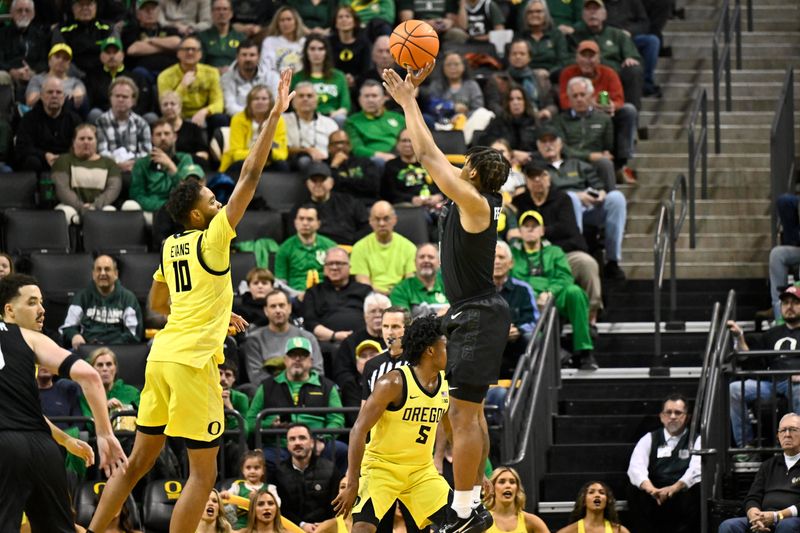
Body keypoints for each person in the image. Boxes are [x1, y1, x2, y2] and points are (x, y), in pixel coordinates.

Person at [86, 68, 295, 533]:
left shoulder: (171, 245)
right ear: (200, 214)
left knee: (138, 461)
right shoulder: (213, 238)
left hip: (160, 355)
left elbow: (159, 299)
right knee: (205, 474)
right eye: (212, 200)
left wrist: (217, 312)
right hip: (192, 363)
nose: (221, 204)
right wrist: (275, 115)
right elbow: (251, 173)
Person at [383, 63, 512, 533]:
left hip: (478, 312)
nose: (458, 166)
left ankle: (462, 510)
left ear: (474, 171)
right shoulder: (477, 200)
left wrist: (408, 101)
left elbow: (428, 155)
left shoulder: (475, 202)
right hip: (473, 310)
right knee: (468, 416)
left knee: (461, 415)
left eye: (466, 163)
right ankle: (471, 504)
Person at [0, 273, 127, 531]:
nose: (42, 309)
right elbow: (89, 376)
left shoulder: (28, 336)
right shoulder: (30, 339)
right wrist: (104, 432)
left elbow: (25, 413)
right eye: (32, 302)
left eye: (42, 302)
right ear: (9, 310)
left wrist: (67, 439)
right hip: (43, 450)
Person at [332, 314, 451, 533]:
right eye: (446, 346)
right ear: (431, 351)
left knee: (465, 522)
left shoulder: (446, 383)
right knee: (362, 529)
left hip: (421, 471)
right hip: (381, 468)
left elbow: (454, 433)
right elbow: (358, 430)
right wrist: (352, 482)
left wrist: (477, 476)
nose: (451, 351)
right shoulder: (393, 382)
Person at [512, 162, 602, 326]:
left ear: (549, 178)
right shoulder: (519, 201)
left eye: (542, 175)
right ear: (526, 180)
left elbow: (568, 229)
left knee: (586, 263)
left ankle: (591, 316)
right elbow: (511, 226)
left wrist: (540, 232)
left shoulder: (562, 198)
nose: (538, 180)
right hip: (529, 255)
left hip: (563, 253)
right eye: (533, 176)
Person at [534, 126, 627, 280]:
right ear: (538, 146)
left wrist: (600, 193)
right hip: (560, 210)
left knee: (616, 197)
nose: (548, 145)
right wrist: (578, 196)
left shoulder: (577, 164)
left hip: (589, 208)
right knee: (571, 198)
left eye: (552, 140)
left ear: (560, 143)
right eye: (544, 142)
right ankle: (579, 250)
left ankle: (613, 261)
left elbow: (598, 185)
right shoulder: (538, 170)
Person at [510, 210, 596, 369]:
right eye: (526, 226)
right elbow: (512, 279)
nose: (530, 229)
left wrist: (549, 292)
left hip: (554, 295)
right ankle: (549, 355)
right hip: (527, 297)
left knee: (575, 292)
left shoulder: (555, 251)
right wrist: (534, 295)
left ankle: (585, 352)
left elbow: (564, 276)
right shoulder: (512, 254)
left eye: (534, 226)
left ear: (542, 230)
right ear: (519, 231)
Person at [727, 285, 800, 452]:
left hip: (797, 382)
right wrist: (739, 336)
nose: (789, 306)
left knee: (798, 389)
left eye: (795, 302)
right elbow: (748, 357)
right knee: (735, 389)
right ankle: (745, 447)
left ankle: (797, 447)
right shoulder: (770, 334)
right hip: (772, 382)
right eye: (785, 303)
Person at [245, 336, 343, 454]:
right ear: (285, 360)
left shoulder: (327, 386)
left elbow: (337, 420)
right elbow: (250, 422)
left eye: (302, 355)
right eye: (292, 355)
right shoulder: (267, 386)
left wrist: (321, 439)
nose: (297, 359)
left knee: (341, 451)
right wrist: (269, 425)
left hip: (317, 444)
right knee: (262, 459)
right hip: (278, 446)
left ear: (311, 360)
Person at [559, 40, 638, 182]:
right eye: (583, 56)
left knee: (628, 110)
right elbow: (564, 101)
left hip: (607, 116)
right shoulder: (568, 73)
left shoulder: (609, 73)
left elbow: (619, 99)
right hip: (577, 114)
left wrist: (612, 106)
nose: (587, 60)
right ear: (577, 57)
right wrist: (589, 103)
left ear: (599, 58)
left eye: (591, 56)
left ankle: (621, 164)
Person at [626, 394, 701, 533]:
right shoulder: (649, 438)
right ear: (661, 416)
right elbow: (636, 467)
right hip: (654, 495)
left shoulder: (696, 440)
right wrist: (652, 490)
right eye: (668, 412)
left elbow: (696, 470)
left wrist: (674, 488)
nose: (672, 416)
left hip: (682, 494)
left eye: (678, 412)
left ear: (687, 417)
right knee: (634, 488)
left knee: (697, 488)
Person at [718, 413, 800, 533]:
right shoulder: (767, 465)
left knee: (787, 526)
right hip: (764, 518)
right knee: (728, 526)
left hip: (791, 519)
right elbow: (752, 497)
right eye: (782, 430)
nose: (787, 434)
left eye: (793, 430)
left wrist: (777, 516)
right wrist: (755, 517)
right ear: (778, 436)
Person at [569, 0, 644, 110]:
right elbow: (568, 58)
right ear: (583, 15)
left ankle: (631, 117)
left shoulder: (617, 34)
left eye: (596, 9)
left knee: (634, 70)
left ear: (605, 14)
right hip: (586, 79)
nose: (592, 13)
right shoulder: (574, 36)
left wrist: (630, 58)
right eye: (588, 10)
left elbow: (633, 56)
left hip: (610, 80)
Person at [60, 255, 143, 349]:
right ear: (93, 274)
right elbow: (67, 327)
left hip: (118, 351)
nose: (102, 273)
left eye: (107, 269)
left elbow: (133, 334)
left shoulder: (128, 298)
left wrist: (109, 347)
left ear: (116, 274)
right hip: (87, 350)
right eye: (99, 269)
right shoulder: (81, 297)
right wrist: (74, 336)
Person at [243, 289, 324, 383]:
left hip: (305, 390)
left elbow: (318, 371)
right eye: (273, 306)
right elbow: (256, 376)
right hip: (270, 392)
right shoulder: (255, 340)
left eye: (281, 305)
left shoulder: (308, 337)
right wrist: (282, 390)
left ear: (289, 308)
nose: (278, 310)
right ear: (265, 310)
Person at [125, 119, 194, 224]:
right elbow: (137, 195)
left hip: (178, 211)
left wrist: (171, 167)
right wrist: (164, 207)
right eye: (158, 134)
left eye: (166, 133)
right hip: (150, 212)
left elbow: (189, 192)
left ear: (174, 137)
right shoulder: (141, 164)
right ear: (152, 139)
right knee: (129, 205)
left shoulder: (185, 159)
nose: (163, 138)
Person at [52, 124, 122, 225]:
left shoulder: (109, 163)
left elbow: (113, 188)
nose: (86, 142)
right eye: (81, 138)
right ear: (73, 142)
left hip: (100, 207)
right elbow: (62, 189)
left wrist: (94, 206)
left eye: (90, 139)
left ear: (96, 142)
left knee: (110, 212)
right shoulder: (63, 161)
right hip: (71, 206)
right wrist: (81, 207)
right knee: (65, 213)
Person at [554, 77, 616, 191]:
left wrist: (605, 154)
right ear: (569, 99)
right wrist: (589, 156)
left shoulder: (604, 119)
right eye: (575, 96)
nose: (579, 99)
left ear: (591, 96)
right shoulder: (560, 120)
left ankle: (611, 198)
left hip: (596, 162)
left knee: (606, 163)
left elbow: (608, 146)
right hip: (570, 160)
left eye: (583, 95)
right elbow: (562, 148)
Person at [331, 293, 390, 411]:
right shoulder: (350, 341)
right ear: (364, 316)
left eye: (382, 311)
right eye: (372, 311)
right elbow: (342, 373)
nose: (378, 315)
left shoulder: (397, 341)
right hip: (357, 391)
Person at [273, 423, 341, 527]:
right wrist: (302, 525)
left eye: (302, 438)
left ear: (312, 443)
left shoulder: (330, 469)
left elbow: (335, 506)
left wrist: (324, 527)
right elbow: (281, 509)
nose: (297, 443)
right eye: (292, 439)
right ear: (287, 445)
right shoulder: (278, 473)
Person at [303, 247, 372, 345]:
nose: (334, 267)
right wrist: (334, 335)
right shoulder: (313, 292)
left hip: (363, 342)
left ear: (349, 266)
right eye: (330, 264)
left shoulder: (364, 290)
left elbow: (374, 317)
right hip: (327, 343)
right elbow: (310, 323)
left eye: (339, 263)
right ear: (324, 267)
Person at [15, 76, 82, 172]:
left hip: (66, 162)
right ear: (41, 96)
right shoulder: (29, 119)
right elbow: (22, 147)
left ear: (64, 97)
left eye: (58, 92)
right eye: (50, 92)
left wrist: (63, 158)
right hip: (39, 162)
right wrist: (44, 155)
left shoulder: (74, 119)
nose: (54, 96)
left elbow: (79, 147)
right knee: (31, 161)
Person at [157, 36, 225, 129]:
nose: (190, 52)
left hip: (203, 116)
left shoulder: (212, 72)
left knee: (220, 118)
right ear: (178, 53)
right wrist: (182, 86)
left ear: (200, 54)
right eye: (186, 49)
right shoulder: (165, 76)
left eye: (194, 49)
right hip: (177, 116)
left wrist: (204, 112)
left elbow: (218, 103)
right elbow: (166, 106)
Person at [350, 201, 417, 295]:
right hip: (371, 296)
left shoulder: (409, 247)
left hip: (401, 296)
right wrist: (382, 295)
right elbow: (363, 282)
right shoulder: (359, 248)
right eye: (377, 219)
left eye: (386, 219)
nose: (381, 223)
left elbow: (410, 281)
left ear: (395, 220)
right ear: (370, 221)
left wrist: (396, 295)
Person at [220, 85, 288, 177]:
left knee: (282, 166)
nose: (260, 102)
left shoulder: (278, 120)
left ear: (270, 102)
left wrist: (268, 154)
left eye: (264, 99)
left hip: (268, 161)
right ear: (249, 102)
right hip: (244, 161)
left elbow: (282, 152)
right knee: (238, 165)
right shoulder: (238, 119)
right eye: (256, 99)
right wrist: (260, 153)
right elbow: (236, 153)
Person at [493, 241, 539, 378]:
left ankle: (531, 380)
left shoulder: (523, 289)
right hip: (486, 345)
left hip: (515, 344)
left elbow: (533, 320)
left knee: (531, 337)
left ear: (511, 263)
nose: (497, 262)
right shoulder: (478, 291)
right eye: (493, 257)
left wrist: (518, 330)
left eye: (501, 257)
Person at [296, 161, 369, 245]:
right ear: (307, 183)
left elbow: (366, 228)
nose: (318, 184)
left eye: (322, 180)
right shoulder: (300, 209)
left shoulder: (350, 202)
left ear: (331, 183)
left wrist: (353, 243)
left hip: (349, 248)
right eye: (314, 180)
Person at [604, 0, 661, 97]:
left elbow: (644, 23)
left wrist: (630, 31)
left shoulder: (633, 2)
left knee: (652, 41)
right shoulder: (599, 4)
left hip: (631, 37)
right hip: (608, 39)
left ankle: (646, 83)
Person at [95, 77, 153, 173]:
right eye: (117, 96)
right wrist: (117, 165)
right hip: (109, 170)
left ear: (134, 100)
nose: (120, 100)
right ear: (110, 98)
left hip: (135, 171)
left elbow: (146, 154)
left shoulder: (142, 124)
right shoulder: (101, 122)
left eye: (125, 97)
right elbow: (101, 152)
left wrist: (131, 164)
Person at [343, 80, 405, 170]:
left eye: (374, 96)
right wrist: (382, 156)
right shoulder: (352, 121)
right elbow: (357, 149)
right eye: (366, 96)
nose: (370, 100)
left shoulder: (399, 118)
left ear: (384, 98)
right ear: (359, 99)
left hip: (400, 156)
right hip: (371, 162)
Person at [275, 204, 337, 292]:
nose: (305, 223)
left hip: (326, 294)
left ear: (318, 224)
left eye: (310, 219)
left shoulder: (331, 247)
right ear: (295, 222)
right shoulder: (284, 249)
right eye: (301, 219)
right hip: (295, 295)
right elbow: (281, 282)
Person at [291, 35, 351, 125]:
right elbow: (293, 105)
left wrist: (330, 118)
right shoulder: (297, 77)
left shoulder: (339, 76)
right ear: (306, 52)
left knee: (341, 119)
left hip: (332, 118)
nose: (316, 53)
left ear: (326, 52)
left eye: (321, 49)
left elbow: (345, 107)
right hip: (305, 118)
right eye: (312, 49)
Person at [0, 0, 49, 109]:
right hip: (8, 75)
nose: (23, 14)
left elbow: (46, 61)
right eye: (19, 10)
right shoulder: (2, 34)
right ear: (12, 13)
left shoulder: (41, 36)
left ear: (33, 14)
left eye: (27, 11)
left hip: (34, 75)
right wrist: (11, 71)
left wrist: (33, 72)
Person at [284, 83, 340, 172]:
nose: (305, 99)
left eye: (309, 96)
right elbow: (281, 149)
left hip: (326, 162)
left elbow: (337, 147)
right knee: (304, 160)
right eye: (301, 96)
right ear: (293, 101)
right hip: (295, 163)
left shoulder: (329, 123)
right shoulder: (283, 121)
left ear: (316, 101)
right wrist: (307, 151)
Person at [381, 128, 443, 208]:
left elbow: (443, 186)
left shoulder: (429, 164)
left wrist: (438, 196)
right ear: (397, 144)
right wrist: (411, 199)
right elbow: (389, 193)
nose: (407, 144)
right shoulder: (390, 165)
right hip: (408, 207)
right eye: (404, 141)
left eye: (411, 141)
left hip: (434, 204)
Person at [120, 0, 181, 80]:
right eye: (146, 9)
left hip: (170, 71)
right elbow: (133, 49)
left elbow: (178, 43)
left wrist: (150, 40)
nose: (150, 12)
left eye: (153, 9)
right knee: (139, 73)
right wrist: (165, 48)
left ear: (158, 12)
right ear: (138, 14)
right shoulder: (131, 30)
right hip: (144, 72)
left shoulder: (169, 29)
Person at [78, 347, 142, 422]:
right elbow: (88, 426)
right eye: (100, 365)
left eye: (109, 364)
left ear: (115, 369)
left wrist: (125, 410)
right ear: (92, 370)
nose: (105, 369)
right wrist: (104, 408)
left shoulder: (132, 392)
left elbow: (145, 418)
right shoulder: (87, 395)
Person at [220, 450, 277, 529]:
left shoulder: (270, 488)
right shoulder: (237, 486)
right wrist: (225, 495)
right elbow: (227, 500)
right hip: (241, 527)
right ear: (242, 470)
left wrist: (260, 497)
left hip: (263, 527)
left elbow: (277, 504)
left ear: (263, 470)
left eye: (256, 468)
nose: (252, 471)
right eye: (248, 468)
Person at [56, 0, 112, 80]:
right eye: (80, 5)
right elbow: (60, 57)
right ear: (73, 8)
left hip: (103, 76)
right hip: (72, 76)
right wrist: (79, 75)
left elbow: (114, 55)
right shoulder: (61, 30)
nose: (85, 8)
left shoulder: (107, 28)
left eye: (89, 4)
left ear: (95, 7)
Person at [221, 40, 280, 116]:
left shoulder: (272, 77)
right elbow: (230, 107)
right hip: (239, 118)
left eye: (252, 55)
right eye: (244, 55)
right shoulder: (226, 78)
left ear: (258, 57)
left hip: (268, 118)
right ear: (237, 57)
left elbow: (276, 103)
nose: (248, 59)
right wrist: (254, 114)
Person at [484, 467, 549, 533]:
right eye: (502, 482)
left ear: (517, 488)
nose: (508, 486)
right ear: (492, 487)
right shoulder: (484, 521)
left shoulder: (531, 520)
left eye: (512, 482)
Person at [390, 243, 449, 316]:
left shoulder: (449, 284)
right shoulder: (401, 290)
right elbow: (404, 323)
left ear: (439, 262)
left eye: (431, 257)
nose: (426, 260)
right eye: (422, 257)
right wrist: (437, 317)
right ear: (414, 262)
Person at [327, 129, 382, 206]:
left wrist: (343, 182)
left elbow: (373, 186)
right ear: (329, 147)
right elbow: (329, 188)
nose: (340, 146)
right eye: (336, 143)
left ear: (350, 146)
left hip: (366, 203)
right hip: (340, 206)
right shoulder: (324, 165)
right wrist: (334, 166)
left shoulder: (364, 162)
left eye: (343, 143)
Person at [518, 0, 570, 79]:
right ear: (526, 16)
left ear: (546, 15)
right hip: (525, 77)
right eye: (530, 12)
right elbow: (515, 61)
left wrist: (550, 73)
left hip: (552, 77)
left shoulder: (556, 35)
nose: (534, 15)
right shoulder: (520, 37)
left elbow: (563, 61)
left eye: (538, 11)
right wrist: (531, 73)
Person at [25, 43, 86, 109]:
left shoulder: (75, 82)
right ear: (49, 61)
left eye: (65, 58)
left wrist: (77, 94)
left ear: (69, 65)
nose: (61, 60)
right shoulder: (37, 79)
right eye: (57, 56)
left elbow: (80, 92)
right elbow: (30, 102)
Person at [159, 91, 211, 166]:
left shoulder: (193, 128)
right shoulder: (156, 129)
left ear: (180, 107)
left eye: (172, 104)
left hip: (190, 167)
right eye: (165, 104)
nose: (169, 107)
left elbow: (204, 154)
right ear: (160, 108)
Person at [556, 481, 630, 533]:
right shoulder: (572, 530)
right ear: (584, 501)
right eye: (591, 492)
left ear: (607, 501)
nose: (597, 495)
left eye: (601, 492)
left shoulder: (618, 530)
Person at [328, 6, 371, 90]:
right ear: (335, 23)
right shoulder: (329, 42)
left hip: (358, 86)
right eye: (340, 17)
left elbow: (366, 70)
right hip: (333, 84)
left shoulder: (364, 43)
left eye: (348, 16)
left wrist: (354, 79)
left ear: (354, 22)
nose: (344, 19)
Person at [197, 0, 246, 72]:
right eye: (217, 9)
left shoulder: (241, 37)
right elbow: (198, 65)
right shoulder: (202, 37)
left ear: (231, 13)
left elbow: (245, 62)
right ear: (211, 13)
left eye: (225, 9)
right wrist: (216, 70)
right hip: (209, 77)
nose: (221, 13)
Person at [260, 6, 309, 76]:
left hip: (300, 81)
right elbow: (266, 67)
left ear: (296, 21)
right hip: (277, 80)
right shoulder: (270, 42)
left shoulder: (304, 42)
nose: (285, 23)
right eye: (282, 20)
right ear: (277, 23)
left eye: (289, 19)